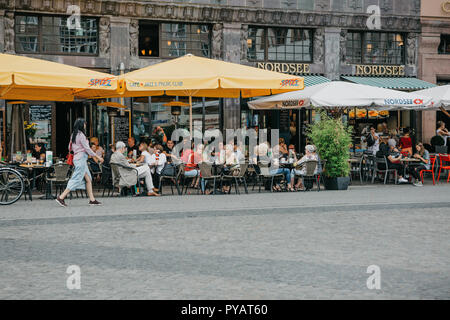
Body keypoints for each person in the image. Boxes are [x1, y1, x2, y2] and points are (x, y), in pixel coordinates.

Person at [56, 118, 103, 207]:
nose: (85, 125)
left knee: (88, 179)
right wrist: (98, 157)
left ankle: (92, 200)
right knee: (76, 179)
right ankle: (61, 197)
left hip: (78, 159)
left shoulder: (73, 134)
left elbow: (69, 147)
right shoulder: (81, 135)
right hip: (81, 159)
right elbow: (87, 148)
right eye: (84, 124)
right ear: (81, 125)